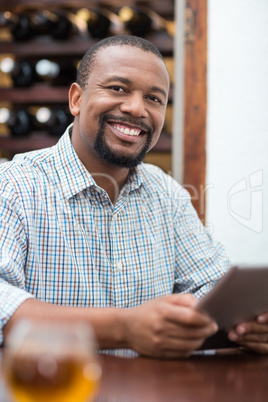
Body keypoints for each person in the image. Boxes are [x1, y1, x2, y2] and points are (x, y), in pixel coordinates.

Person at [0, 35, 267, 358]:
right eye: (118, 89)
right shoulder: (14, 186)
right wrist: (124, 328)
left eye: (154, 98)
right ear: (76, 99)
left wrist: (248, 323)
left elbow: (211, 285)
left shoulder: (167, 194)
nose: (136, 108)